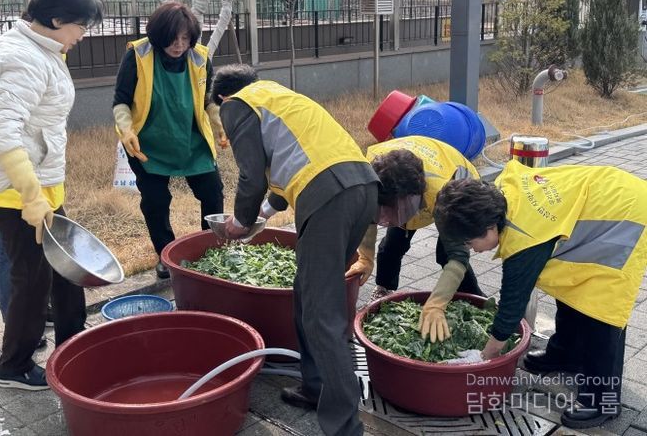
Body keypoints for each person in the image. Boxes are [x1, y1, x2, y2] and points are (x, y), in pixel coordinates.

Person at [210, 64, 424, 436]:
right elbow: (292, 168)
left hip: (330, 198)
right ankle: (315, 388)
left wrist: (241, 222)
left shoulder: (236, 105)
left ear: (222, 97)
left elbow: (251, 174)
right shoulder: (279, 98)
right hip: (363, 188)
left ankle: (345, 427)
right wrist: (263, 214)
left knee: (322, 318)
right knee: (309, 297)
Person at [432, 160, 647, 429]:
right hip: (599, 200)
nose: (472, 250)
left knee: (600, 309)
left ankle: (602, 401)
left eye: (469, 242)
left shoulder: (524, 238)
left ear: (489, 227)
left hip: (625, 216)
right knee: (572, 284)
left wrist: (485, 356)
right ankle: (566, 354)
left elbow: (512, 307)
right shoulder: (497, 198)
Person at [0, 0, 102, 390]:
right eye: (81, 26)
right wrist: (31, 198)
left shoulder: (41, 49)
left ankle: (73, 341)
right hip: (13, 191)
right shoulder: (21, 58)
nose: (83, 35)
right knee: (33, 277)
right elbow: (4, 133)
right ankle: (15, 366)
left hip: (36, 185)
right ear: (57, 20)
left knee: (66, 265)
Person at [112, 1, 225, 279]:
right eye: (173, 38)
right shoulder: (138, 55)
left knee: (213, 193)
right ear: (159, 34)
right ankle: (165, 255)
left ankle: (212, 250)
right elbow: (121, 101)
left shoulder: (199, 57)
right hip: (148, 144)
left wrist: (221, 124)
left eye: (185, 38)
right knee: (156, 201)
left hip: (192, 141)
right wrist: (127, 130)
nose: (179, 45)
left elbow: (209, 100)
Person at [345, 135, 485, 341]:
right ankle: (384, 288)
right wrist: (365, 257)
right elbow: (368, 216)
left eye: (391, 213)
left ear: (413, 199)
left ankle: (479, 302)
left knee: (446, 254)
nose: (386, 220)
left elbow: (458, 257)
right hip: (410, 184)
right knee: (391, 245)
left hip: (459, 190)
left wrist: (436, 304)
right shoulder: (369, 173)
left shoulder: (445, 195)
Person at [0, 40, 52, 343]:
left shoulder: (36, 53)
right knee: (7, 250)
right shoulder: (1, 55)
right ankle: (15, 322)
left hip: (25, 170)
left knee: (27, 250)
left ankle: (33, 312)